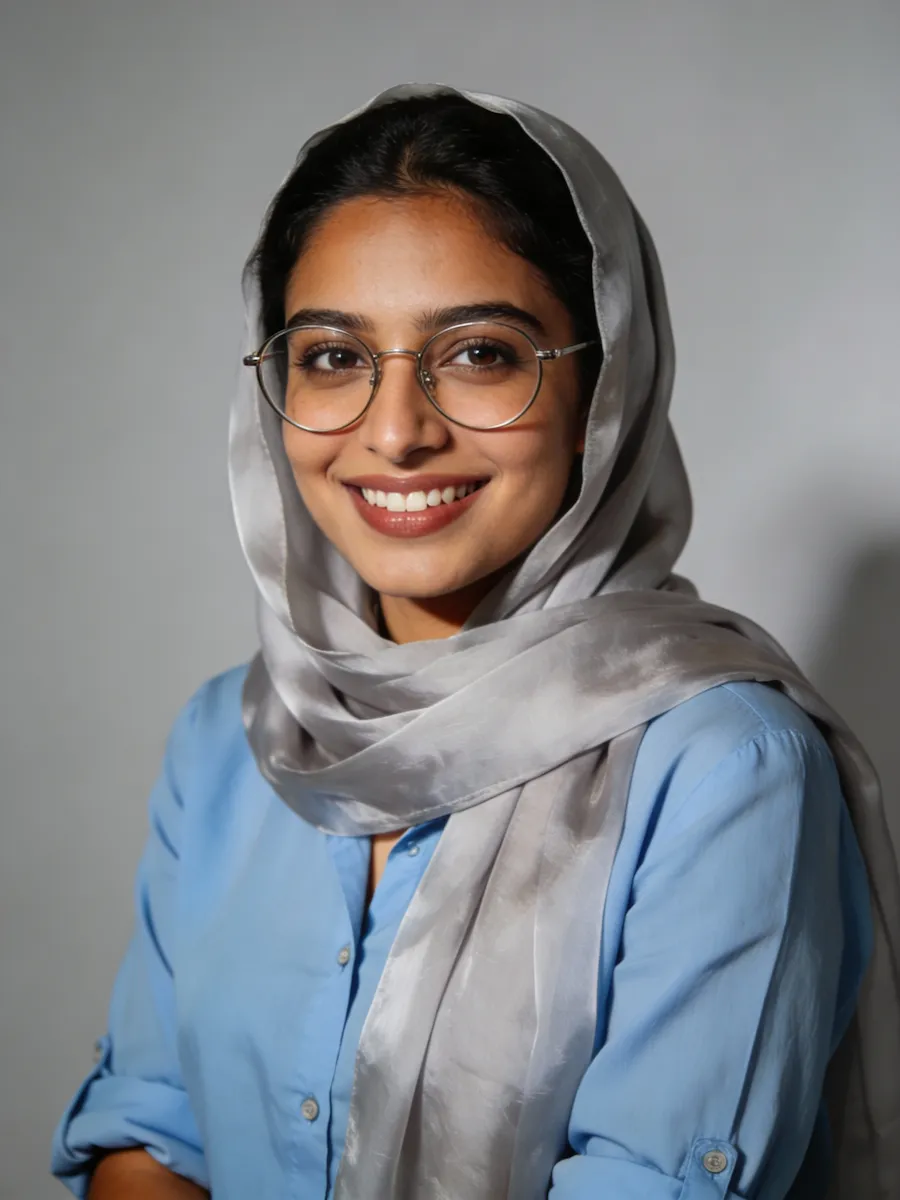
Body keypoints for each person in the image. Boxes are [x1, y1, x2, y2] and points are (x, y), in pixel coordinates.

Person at [51, 84, 900, 1200]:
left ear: (604, 383)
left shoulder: (725, 769)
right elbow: (149, 1131)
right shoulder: (233, 736)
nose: (396, 433)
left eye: (481, 353)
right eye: (334, 358)